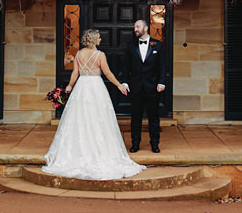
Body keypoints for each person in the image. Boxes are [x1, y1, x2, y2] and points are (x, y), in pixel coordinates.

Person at [42, 29, 145, 180]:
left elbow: (75, 73)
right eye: (99, 37)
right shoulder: (100, 55)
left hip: (82, 87)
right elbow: (108, 74)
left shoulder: (79, 54)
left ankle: (78, 151)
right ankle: (99, 150)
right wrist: (119, 86)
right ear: (93, 39)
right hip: (96, 88)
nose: (101, 39)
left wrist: (70, 86)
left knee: (79, 118)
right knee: (99, 118)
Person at [122, 19, 166, 153]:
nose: (135, 29)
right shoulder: (130, 46)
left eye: (138, 26)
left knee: (154, 118)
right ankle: (135, 143)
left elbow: (162, 66)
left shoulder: (157, 45)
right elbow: (126, 66)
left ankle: (155, 144)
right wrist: (125, 82)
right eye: (135, 27)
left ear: (146, 28)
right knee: (136, 117)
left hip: (152, 87)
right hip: (135, 87)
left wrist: (162, 81)